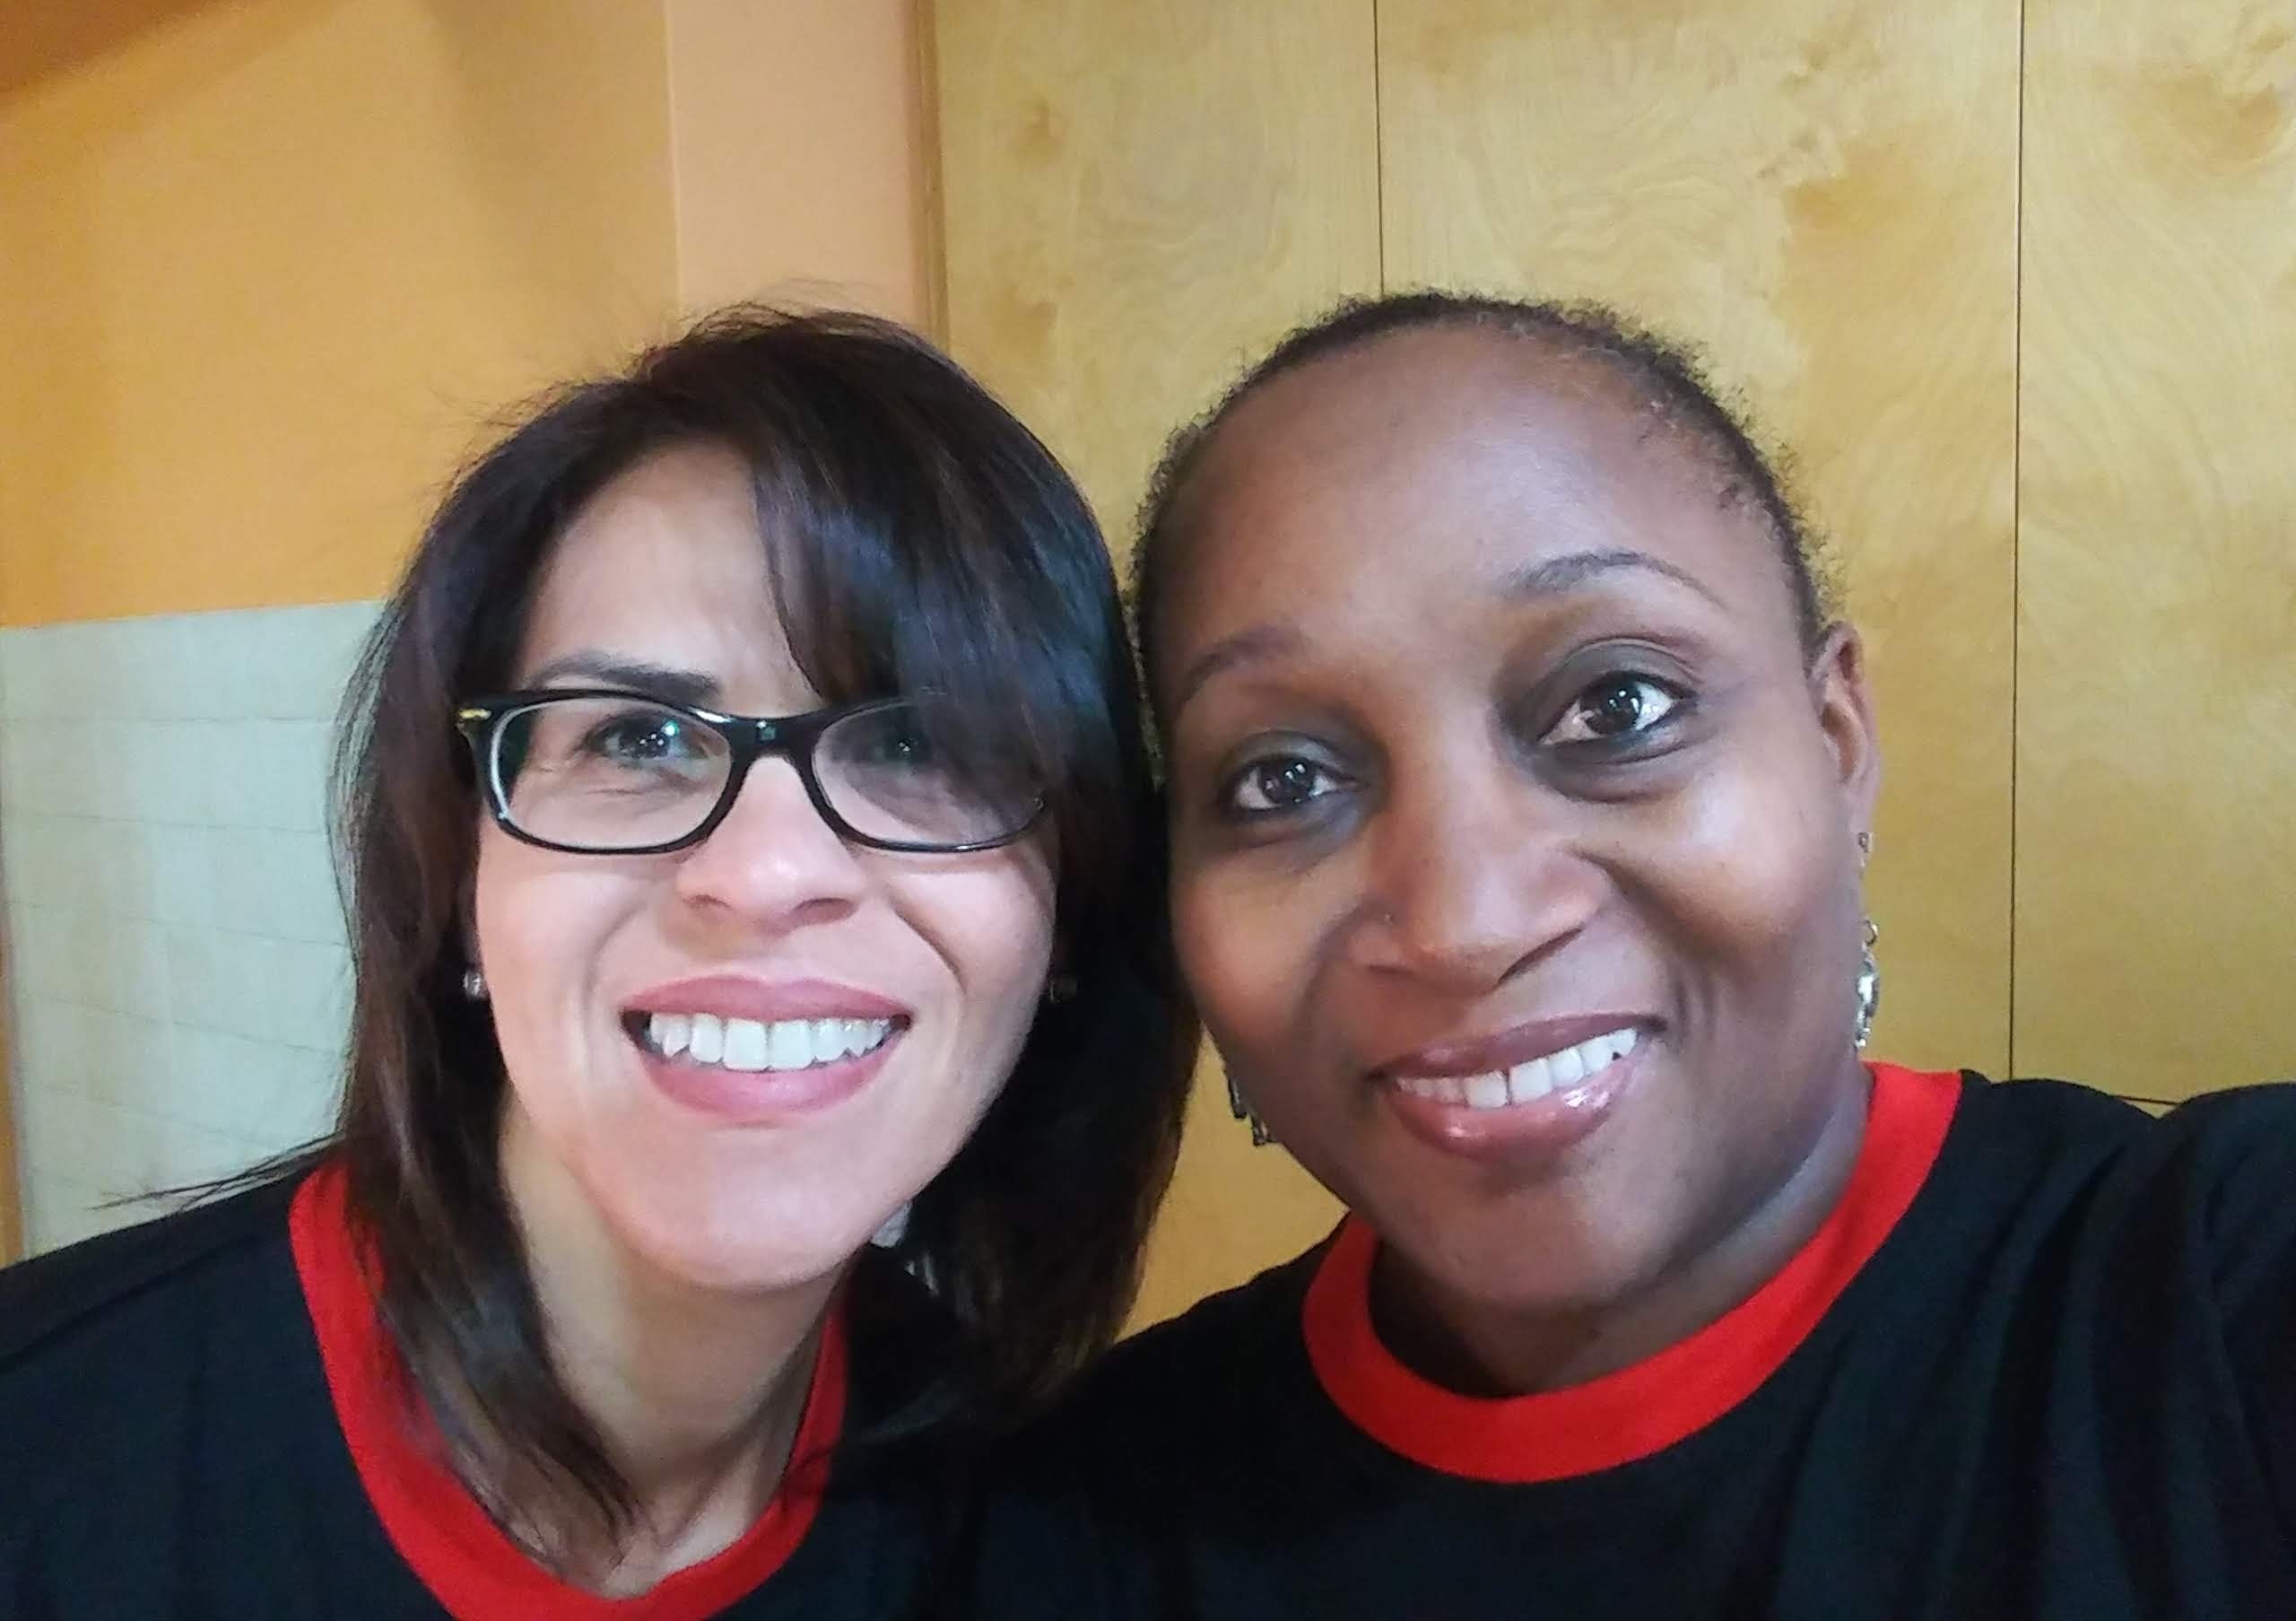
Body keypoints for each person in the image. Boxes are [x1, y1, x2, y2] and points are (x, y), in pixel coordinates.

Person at [974, 291, 2296, 1618]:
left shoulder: (2215, 1296)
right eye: (1284, 779)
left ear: (1836, 743)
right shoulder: (1079, 1528)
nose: (1465, 923)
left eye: (1618, 706)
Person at [0, 308, 1195, 1617]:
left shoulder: (1034, 1534)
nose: (764, 872)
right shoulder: (48, 1461)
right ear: (460, 879)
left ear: (1073, 909)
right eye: (635, 739)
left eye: (921, 746)